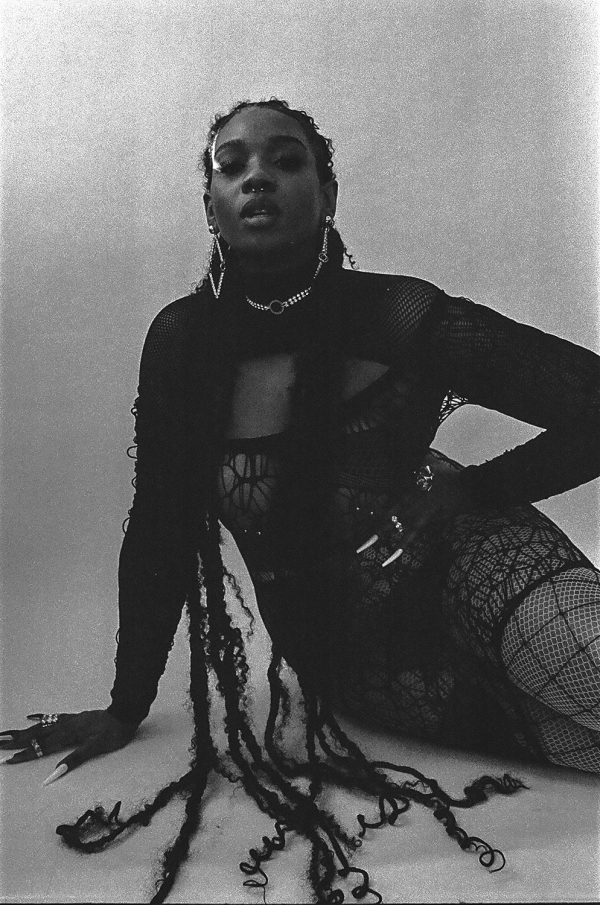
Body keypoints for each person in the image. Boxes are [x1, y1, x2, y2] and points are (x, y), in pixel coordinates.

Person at [2, 98, 599, 904]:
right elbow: (161, 525)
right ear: (210, 204)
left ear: (328, 194)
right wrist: (126, 704)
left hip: (482, 569)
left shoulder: (399, 315)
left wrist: (474, 489)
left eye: (286, 160)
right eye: (233, 165)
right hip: (368, 663)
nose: (258, 177)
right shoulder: (183, 345)